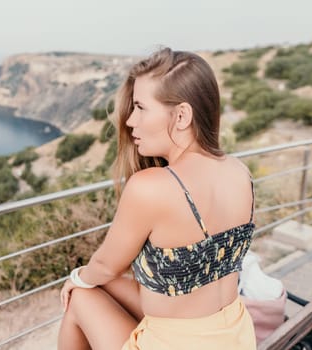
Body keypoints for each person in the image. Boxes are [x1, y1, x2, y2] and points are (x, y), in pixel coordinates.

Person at [58, 47, 257, 349]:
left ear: (181, 115)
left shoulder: (151, 187)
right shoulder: (239, 172)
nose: (129, 121)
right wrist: (91, 275)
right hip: (232, 335)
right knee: (97, 283)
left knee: (80, 296)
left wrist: (77, 278)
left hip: (176, 342)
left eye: (140, 107)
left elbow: (106, 265)